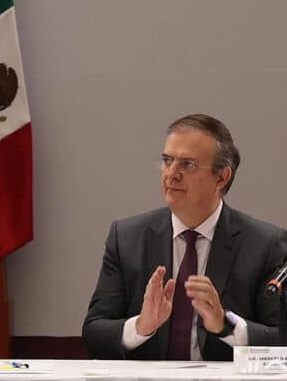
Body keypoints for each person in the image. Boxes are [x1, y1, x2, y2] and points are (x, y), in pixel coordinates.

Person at [83, 114, 287, 361]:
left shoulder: (265, 244)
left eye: (187, 164)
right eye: (167, 161)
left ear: (221, 177)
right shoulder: (127, 238)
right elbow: (94, 333)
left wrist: (226, 325)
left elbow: (281, 339)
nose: (172, 174)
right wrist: (141, 326)